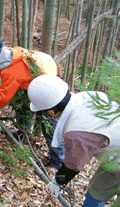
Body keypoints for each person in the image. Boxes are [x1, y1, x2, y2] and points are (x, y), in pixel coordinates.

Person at [27, 74, 120, 206]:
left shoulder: (76, 133)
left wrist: (58, 181)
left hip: (116, 158)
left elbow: (73, 166)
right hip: (114, 156)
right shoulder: (87, 96)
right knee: (97, 191)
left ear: (52, 112)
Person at [0, 35, 64, 170]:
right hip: (40, 85)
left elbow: (4, 96)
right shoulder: (14, 52)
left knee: (49, 124)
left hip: (49, 91)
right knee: (25, 107)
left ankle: (58, 162)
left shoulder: (10, 68)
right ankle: (23, 133)